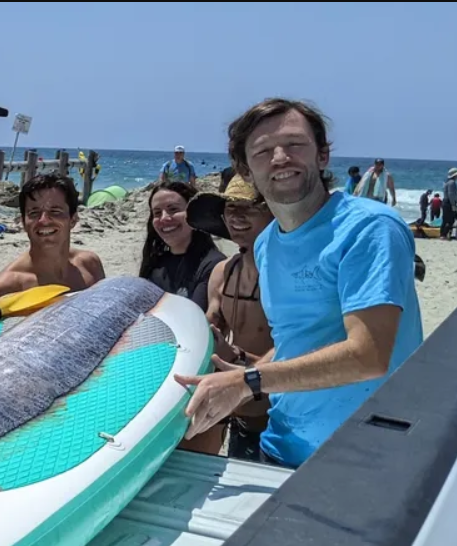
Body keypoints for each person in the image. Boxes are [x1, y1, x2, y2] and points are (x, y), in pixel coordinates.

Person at [175, 97, 424, 469]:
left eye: (294, 145)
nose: (279, 158)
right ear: (246, 171)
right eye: (262, 151)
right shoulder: (266, 245)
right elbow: (295, 339)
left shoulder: (369, 228)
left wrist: (252, 382)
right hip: (281, 445)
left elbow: (369, 355)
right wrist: (243, 376)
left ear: (322, 156)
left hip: (368, 460)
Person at [188, 175, 275, 461]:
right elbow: (205, 332)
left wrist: (236, 356)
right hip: (237, 412)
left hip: (279, 415)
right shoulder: (224, 272)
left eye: (249, 207)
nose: (236, 216)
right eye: (229, 207)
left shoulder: (284, 277)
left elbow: (300, 347)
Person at [0, 172, 105, 307]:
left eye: (55, 211)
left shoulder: (90, 265)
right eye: (34, 213)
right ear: (23, 222)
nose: (43, 220)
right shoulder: (5, 287)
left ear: (73, 220)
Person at [139, 181, 227, 312]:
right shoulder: (155, 263)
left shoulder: (212, 265)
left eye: (173, 209)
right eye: (157, 213)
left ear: (193, 213)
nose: (164, 218)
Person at [442, 167, 457, 240]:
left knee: (445, 219)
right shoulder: (452, 183)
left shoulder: (447, 182)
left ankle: (443, 234)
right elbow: (451, 195)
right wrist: (453, 204)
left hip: (445, 202)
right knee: (450, 220)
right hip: (449, 203)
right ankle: (445, 234)